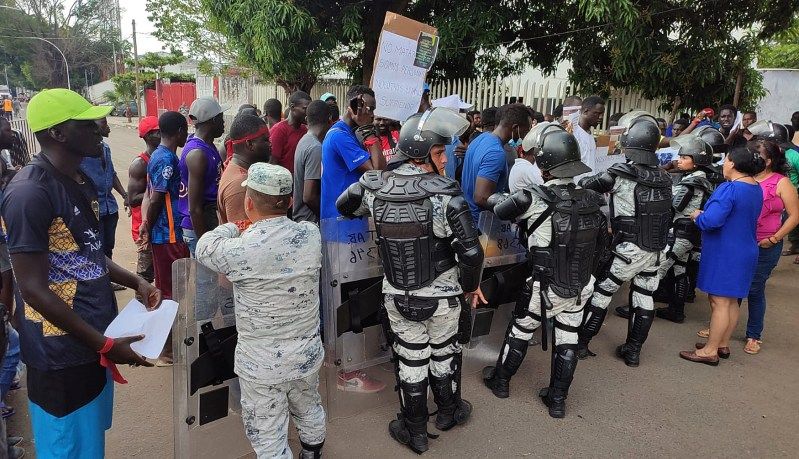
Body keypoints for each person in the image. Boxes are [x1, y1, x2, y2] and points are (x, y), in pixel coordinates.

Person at [2, 88, 160, 458]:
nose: (102, 129)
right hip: (59, 354)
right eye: (88, 123)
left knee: (90, 443)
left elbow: (87, 253)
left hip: (91, 341)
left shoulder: (78, 180)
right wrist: (104, 345)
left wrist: (135, 280)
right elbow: (34, 289)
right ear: (57, 133)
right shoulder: (29, 193)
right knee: (67, 448)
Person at [336, 108, 485, 454]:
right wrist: (469, 287)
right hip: (445, 297)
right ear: (421, 154)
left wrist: (371, 184)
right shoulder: (446, 195)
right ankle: (448, 413)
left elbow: (345, 207)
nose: (445, 159)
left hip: (398, 297)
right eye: (438, 152)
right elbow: (473, 254)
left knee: (411, 361)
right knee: (444, 355)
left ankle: (415, 431)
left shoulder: (374, 186)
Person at [197, 163, 325, 459]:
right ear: (290, 202)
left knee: (266, 428)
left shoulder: (240, 249)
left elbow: (204, 247)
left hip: (261, 365)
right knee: (308, 404)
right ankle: (312, 451)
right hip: (306, 353)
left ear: (249, 202)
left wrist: (234, 226)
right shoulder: (310, 235)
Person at [482, 122, 606, 418]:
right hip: (579, 284)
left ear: (544, 166)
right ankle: (558, 400)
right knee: (568, 338)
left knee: (521, 330)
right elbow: (602, 245)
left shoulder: (535, 199)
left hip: (543, 285)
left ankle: (501, 381)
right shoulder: (592, 198)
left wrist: (500, 197)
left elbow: (498, 207)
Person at [577, 110, 673, 366]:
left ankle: (582, 344)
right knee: (644, 297)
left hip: (627, 249)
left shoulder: (621, 173)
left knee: (601, 294)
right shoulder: (664, 177)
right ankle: (633, 351)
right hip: (654, 249)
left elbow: (588, 183)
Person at [680, 146, 765, 365]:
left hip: (726, 251)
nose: (724, 164)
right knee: (731, 301)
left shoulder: (730, 188)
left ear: (733, 164)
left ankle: (709, 350)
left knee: (719, 301)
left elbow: (712, 220)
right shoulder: (755, 187)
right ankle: (721, 343)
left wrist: (699, 215)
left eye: (726, 160)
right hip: (745, 249)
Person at [738, 140, 799, 354]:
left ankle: (754, 334)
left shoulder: (781, 182)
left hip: (766, 245)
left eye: (758, 154)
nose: (752, 156)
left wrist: (774, 239)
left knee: (754, 288)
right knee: (733, 285)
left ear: (770, 160)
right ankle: (721, 325)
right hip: (741, 241)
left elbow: (794, 216)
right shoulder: (746, 178)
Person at [142, 111, 191, 365]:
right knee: (170, 293)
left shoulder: (159, 156)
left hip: (168, 235)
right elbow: (156, 198)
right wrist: (148, 227)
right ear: (181, 131)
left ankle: (166, 346)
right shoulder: (166, 159)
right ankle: (164, 350)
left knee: (171, 291)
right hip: (168, 236)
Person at [652, 136, 715, 323]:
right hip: (691, 234)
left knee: (658, 269)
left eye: (684, 157)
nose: (679, 160)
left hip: (680, 233)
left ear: (697, 161)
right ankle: (676, 311)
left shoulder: (691, 183)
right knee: (680, 270)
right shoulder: (703, 180)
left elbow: (676, 205)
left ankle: (638, 307)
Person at [320, 84, 386, 222]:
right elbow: (378, 174)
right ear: (356, 108)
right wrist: (368, 130)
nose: (373, 115)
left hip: (352, 218)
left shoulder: (350, 134)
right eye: (370, 109)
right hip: (342, 223)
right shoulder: (340, 137)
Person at [461, 103, 532, 225]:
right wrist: (513, 213)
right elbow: (481, 197)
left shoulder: (480, 139)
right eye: (526, 131)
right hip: (482, 227)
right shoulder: (496, 153)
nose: (526, 135)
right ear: (515, 128)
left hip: (468, 218)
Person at [80, 118, 129, 267]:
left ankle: (109, 279)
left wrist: (124, 195)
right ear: (94, 127)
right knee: (96, 247)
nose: (108, 128)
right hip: (94, 209)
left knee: (108, 246)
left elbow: (111, 174)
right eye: (104, 124)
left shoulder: (105, 148)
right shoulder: (82, 153)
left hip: (110, 207)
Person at [180, 97, 226, 256]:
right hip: (199, 227)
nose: (224, 123)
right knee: (206, 280)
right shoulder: (197, 154)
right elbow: (194, 209)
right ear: (213, 120)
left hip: (208, 221)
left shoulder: (208, 145)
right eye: (221, 118)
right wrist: (206, 246)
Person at [219, 114, 272, 228]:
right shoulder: (241, 184)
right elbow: (243, 238)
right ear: (250, 144)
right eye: (265, 140)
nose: (270, 144)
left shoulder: (240, 171)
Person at [127, 116, 160, 286]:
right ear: (147, 136)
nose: (161, 134)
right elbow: (132, 198)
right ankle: (141, 306)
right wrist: (158, 192)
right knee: (146, 274)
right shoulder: (140, 164)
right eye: (156, 132)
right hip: (144, 226)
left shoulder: (162, 158)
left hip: (159, 224)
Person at [293, 100, 331, 224]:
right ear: (329, 120)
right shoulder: (315, 148)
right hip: (310, 221)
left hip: (303, 219)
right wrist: (327, 216)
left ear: (306, 119)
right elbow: (309, 196)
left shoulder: (304, 140)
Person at [270, 91, 311, 172]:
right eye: (305, 109)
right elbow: (272, 163)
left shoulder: (305, 130)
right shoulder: (279, 130)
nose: (308, 113)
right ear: (292, 107)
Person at [573, 96, 605, 180]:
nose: (601, 117)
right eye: (597, 113)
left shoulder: (590, 135)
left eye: (602, 114)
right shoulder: (574, 135)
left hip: (590, 187)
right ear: (586, 111)